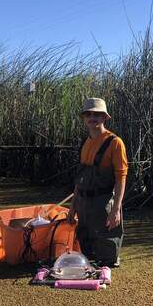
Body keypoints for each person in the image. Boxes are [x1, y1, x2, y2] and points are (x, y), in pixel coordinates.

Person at [67, 98, 128, 267]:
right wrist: (73, 207)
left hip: (103, 202)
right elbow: (80, 179)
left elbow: (121, 177)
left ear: (104, 118)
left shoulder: (115, 143)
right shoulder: (85, 143)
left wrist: (116, 210)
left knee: (107, 256)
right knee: (87, 251)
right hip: (83, 203)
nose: (92, 117)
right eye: (88, 114)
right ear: (84, 118)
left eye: (97, 114)